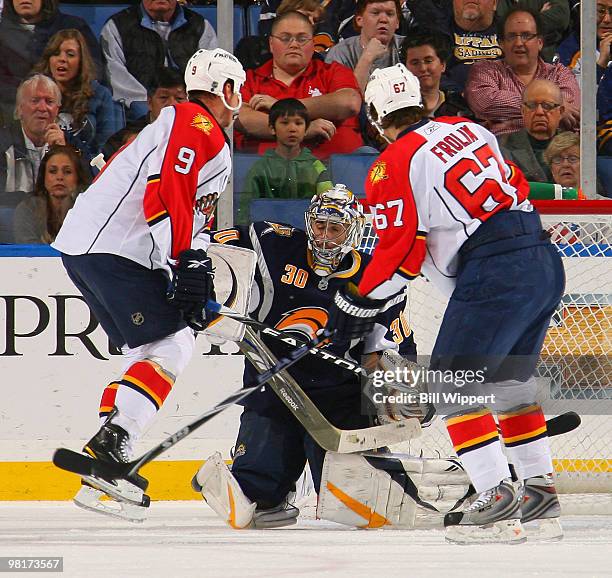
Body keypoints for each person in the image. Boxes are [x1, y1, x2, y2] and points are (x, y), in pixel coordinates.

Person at [325, 63, 565, 544]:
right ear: (422, 101)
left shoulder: (392, 162)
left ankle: (496, 494)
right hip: (542, 261)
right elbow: (511, 190)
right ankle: (538, 491)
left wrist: (356, 303)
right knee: (508, 387)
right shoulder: (470, 128)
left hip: (494, 270)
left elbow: (401, 253)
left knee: (452, 387)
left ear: (375, 116)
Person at [50, 48, 246, 517]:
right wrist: (187, 261)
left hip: (96, 247)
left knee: (149, 352)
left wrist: (188, 267)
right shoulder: (196, 124)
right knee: (172, 344)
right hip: (113, 248)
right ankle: (112, 445)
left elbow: (170, 203)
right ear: (227, 90)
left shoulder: (183, 125)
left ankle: (107, 459)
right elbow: (167, 192)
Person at [193, 185, 417, 529]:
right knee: (254, 495)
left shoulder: (377, 277)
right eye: (319, 226)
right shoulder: (274, 243)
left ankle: (333, 470)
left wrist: (394, 389)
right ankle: (278, 483)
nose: (325, 237)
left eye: (335, 228)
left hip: (337, 401)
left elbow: (389, 349)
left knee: (364, 506)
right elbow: (210, 243)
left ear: (353, 230)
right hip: (274, 387)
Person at [235, 11, 364, 160]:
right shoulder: (249, 79)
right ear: (271, 44)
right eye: (285, 38)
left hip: (335, 173)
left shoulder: (333, 72)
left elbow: (349, 103)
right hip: (266, 174)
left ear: (313, 43)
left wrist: (281, 107)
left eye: (302, 39)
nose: (294, 44)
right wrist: (301, 129)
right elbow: (240, 118)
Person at [465, 6, 580, 135]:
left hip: (556, 149)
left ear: (540, 42)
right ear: (501, 43)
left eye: (526, 35)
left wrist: (509, 120)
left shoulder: (559, 73)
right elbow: (484, 104)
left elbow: (571, 114)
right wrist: (549, 106)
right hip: (505, 150)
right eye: (512, 36)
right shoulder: (485, 70)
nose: (519, 43)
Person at [100, 0, 217, 121]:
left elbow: (210, 76)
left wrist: (188, 105)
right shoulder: (117, 26)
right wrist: (150, 105)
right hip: (136, 117)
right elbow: (116, 78)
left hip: (191, 115)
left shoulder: (200, 26)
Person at [0, 0, 102, 123]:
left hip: (70, 111)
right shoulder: (2, 33)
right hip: (13, 115)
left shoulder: (73, 27)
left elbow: (93, 72)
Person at [33, 29, 123, 162]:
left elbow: (106, 154)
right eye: (56, 53)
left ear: (81, 61)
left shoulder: (100, 95)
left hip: (85, 173)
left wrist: (69, 146)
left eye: (70, 54)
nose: (62, 59)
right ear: (49, 59)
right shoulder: (34, 92)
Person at [241, 98, 333, 221]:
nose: (292, 129)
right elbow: (246, 211)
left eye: (298, 123)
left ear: (306, 129)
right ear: (272, 128)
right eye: (285, 123)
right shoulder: (261, 168)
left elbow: (329, 207)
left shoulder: (317, 167)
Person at [0, 74, 65, 206]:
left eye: (49, 101)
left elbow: (83, 195)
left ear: (57, 110)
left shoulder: (70, 144)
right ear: (19, 109)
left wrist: (63, 154)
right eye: (35, 101)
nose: (42, 108)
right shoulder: (3, 144)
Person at [558, 0, 612, 156]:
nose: (607, 19)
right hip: (592, 134)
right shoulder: (571, 50)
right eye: (600, 11)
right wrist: (600, 64)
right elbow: (579, 105)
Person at [102, 67, 187, 159]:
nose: (172, 104)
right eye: (163, 97)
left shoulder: (199, 130)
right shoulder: (127, 138)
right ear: (149, 102)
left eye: (179, 98)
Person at [13, 144, 89, 244]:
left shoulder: (88, 211)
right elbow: (28, 254)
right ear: (44, 176)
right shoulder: (28, 209)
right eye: (53, 171)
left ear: (77, 178)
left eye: (67, 171)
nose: (60, 177)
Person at [325, 0, 404, 93]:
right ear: (359, 20)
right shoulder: (340, 53)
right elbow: (343, 102)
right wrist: (367, 58)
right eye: (375, 13)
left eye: (390, 14)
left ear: (397, 22)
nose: (383, 19)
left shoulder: (408, 47)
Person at [498, 79, 564, 183]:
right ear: (522, 111)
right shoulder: (501, 147)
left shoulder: (576, 148)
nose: (539, 112)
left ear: (561, 112)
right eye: (532, 106)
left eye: (547, 106)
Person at [401, 33, 474, 119]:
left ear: (443, 65)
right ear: (404, 68)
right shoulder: (398, 110)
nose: (423, 68)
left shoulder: (461, 106)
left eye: (428, 61)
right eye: (415, 63)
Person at [495, 0, 570, 62]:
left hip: (544, 59)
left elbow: (560, 19)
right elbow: (490, 24)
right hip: (504, 60)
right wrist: (537, 16)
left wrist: (513, 24)